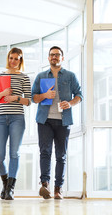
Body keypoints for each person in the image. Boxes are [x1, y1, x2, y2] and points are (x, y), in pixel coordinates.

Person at [32, 46, 83, 199]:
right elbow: (34, 98)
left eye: (57, 55)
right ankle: (45, 185)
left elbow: (79, 94)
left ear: (62, 58)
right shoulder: (41, 76)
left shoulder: (70, 75)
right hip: (44, 120)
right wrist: (45, 95)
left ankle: (58, 189)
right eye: (52, 55)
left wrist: (71, 103)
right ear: (48, 58)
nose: (54, 57)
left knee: (61, 155)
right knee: (45, 152)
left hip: (63, 120)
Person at [0, 47, 32, 200]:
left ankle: (10, 189)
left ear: (20, 60)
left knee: (14, 153)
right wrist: (3, 93)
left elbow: (29, 101)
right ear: (8, 58)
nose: (13, 61)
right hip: (0, 118)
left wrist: (16, 98)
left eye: (17, 58)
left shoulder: (24, 77)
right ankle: (5, 183)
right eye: (11, 58)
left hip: (17, 118)